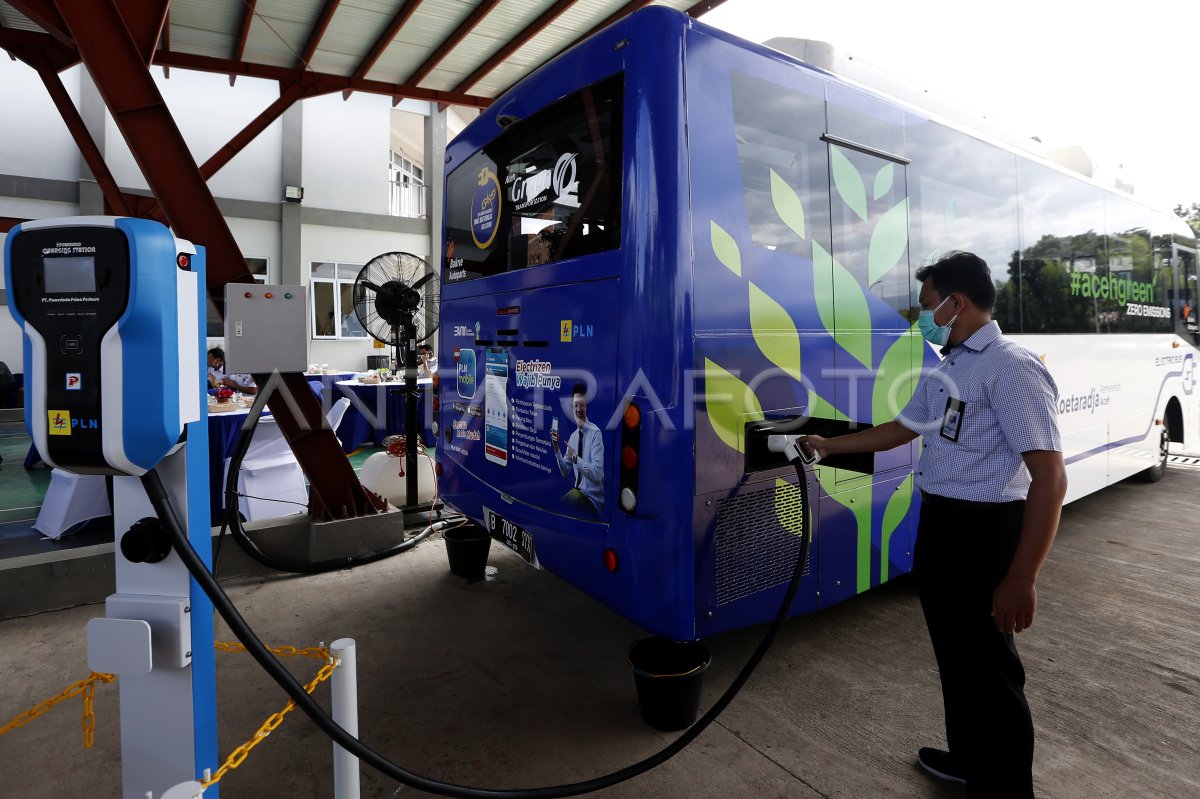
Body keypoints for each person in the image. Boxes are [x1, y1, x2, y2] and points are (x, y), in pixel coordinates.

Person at [800, 251, 1067, 798]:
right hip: (942, 525)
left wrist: (1022, 577)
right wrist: (828, 446)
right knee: (955, 655)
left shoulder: (1011, 368)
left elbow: (1050, 479)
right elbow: (902, 429)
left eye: (928, 305)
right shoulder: (948, 365)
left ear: (957, 302)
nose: (924, 315)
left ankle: (1008, 788)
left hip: (986, 533)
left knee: (992, 671)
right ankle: (970, 761)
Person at [551, 382, 605, 515]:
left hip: (592, 502)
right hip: (578, 497)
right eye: (576, 405)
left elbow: (598, 475)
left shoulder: (595, 433)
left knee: (567, 500)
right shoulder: (573, 437)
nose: (578, 409)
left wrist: (576, 459)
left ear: (586, 407)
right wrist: (556, 447)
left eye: (581, 405)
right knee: (569, 498)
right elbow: (565, 472)